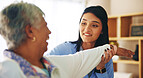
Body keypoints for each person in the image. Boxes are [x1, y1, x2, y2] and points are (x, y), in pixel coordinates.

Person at [0, 2, 134, 78]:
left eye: (94, 25)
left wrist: (102, 67)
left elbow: (82, 59)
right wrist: (114, 49)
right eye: (45, 25)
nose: (49, 32)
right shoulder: (8, 72)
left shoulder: (48, 64)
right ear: (30, 31)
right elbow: (81, 60)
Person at [47, 6, 130, 78]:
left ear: (102, 30)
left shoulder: (106, 55)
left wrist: (100, 68)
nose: (87, 29)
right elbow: (41, 65)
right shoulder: (65, 49)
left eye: (94, 25)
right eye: (84, 23)